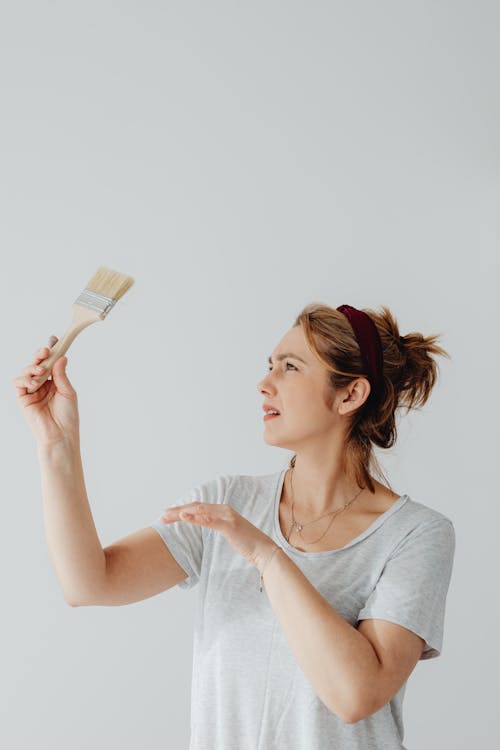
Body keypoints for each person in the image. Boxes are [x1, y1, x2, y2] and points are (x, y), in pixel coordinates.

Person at [14, 303, 456, 750]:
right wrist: (56, 443)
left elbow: (355, 695)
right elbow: (89, 583)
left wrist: (266, 555)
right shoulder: (228, 503)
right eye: (269, 365)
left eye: (290, 367)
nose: (265, 383)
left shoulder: (415, 534)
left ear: (349, 395)